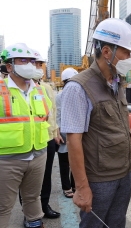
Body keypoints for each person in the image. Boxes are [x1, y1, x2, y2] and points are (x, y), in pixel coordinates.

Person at [61, 18, 131, 228]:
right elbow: (74, 141)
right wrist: (82, 187)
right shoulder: (78, 88)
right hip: (99, 179)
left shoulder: (117, 83)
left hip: (123, 173)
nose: (129, 58)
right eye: (126, 52)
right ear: (106, 52)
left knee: (116, 223)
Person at [0, 43, 52, 228]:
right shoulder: (1, 88)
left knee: (32, 197)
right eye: (23, 60)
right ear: (9, 66)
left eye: (31, 60)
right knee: (3, 206)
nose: (29, 64)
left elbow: (44, 116)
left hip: (37, 154)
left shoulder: (39, 89)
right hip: (7, 159)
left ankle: (34, 223)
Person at [31, 49, 61, 219]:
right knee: (30, 180)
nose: (37, 67)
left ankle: (44, 206)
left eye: (39, 64)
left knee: (46, 175)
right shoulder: (18, 88)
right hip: (28, 141)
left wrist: (55, 132)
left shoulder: (47, 88)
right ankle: (30, 212)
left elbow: (53, 111)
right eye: (34, 63)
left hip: (47, 139)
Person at [56, 67, 78, 198]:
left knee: (76, 160)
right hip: (65, 132)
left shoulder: (79, 93)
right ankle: (67, 187)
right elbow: (58, 114)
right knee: (64, 162)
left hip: (77, 132)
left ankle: (75, 185)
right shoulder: (60, 96)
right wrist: (58, 132)